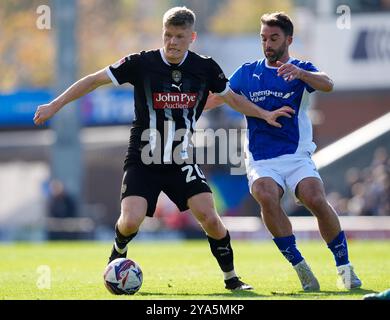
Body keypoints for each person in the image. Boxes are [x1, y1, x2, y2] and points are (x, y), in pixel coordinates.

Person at [33, 7, 294, 291]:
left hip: (181, 160)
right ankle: (119, 249)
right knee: (131, 221)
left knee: (210, 218)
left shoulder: (205, 67)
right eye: (168, 35)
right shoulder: (141, 63)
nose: (172, 42)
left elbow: (231, 98)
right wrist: (54, 105)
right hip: (143, 159)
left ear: (191, 37)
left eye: (179, 36)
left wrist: (263, 114)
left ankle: (232, 279)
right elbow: (94, 80)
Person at [206, 12, 362, 291]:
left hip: (297, 155)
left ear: (288, 39)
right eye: (263, 38)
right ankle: (300, 266)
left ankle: (344, 268)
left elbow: (328, 84)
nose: (267, 44)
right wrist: (183, 105)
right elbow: (215, 98)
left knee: (315, 197)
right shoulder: (246, 73)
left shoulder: (300, 69)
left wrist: (301, 73)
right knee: (266, 195)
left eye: (274, 38)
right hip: (261, 159)